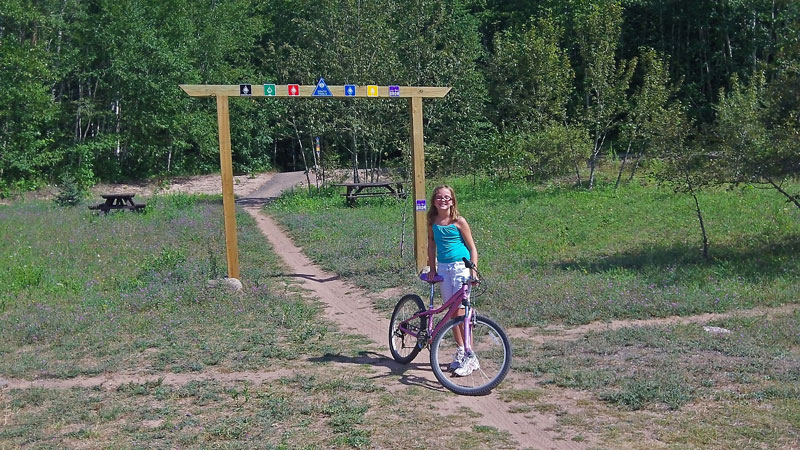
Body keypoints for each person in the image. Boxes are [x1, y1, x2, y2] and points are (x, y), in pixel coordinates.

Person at [426, 184, 479, 376]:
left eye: (447, 197)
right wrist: (432, 268)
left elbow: (472, 248)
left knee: (461, 312)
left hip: (460, 267)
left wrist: (473, 270)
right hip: (444, 268)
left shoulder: (459, 221)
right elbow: (431, 244)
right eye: (439, 197)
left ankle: (470, 356)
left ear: (452, 201)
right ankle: (460, 350)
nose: (443, 200)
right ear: (434, 201)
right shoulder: (432, 220)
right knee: (451, 312)